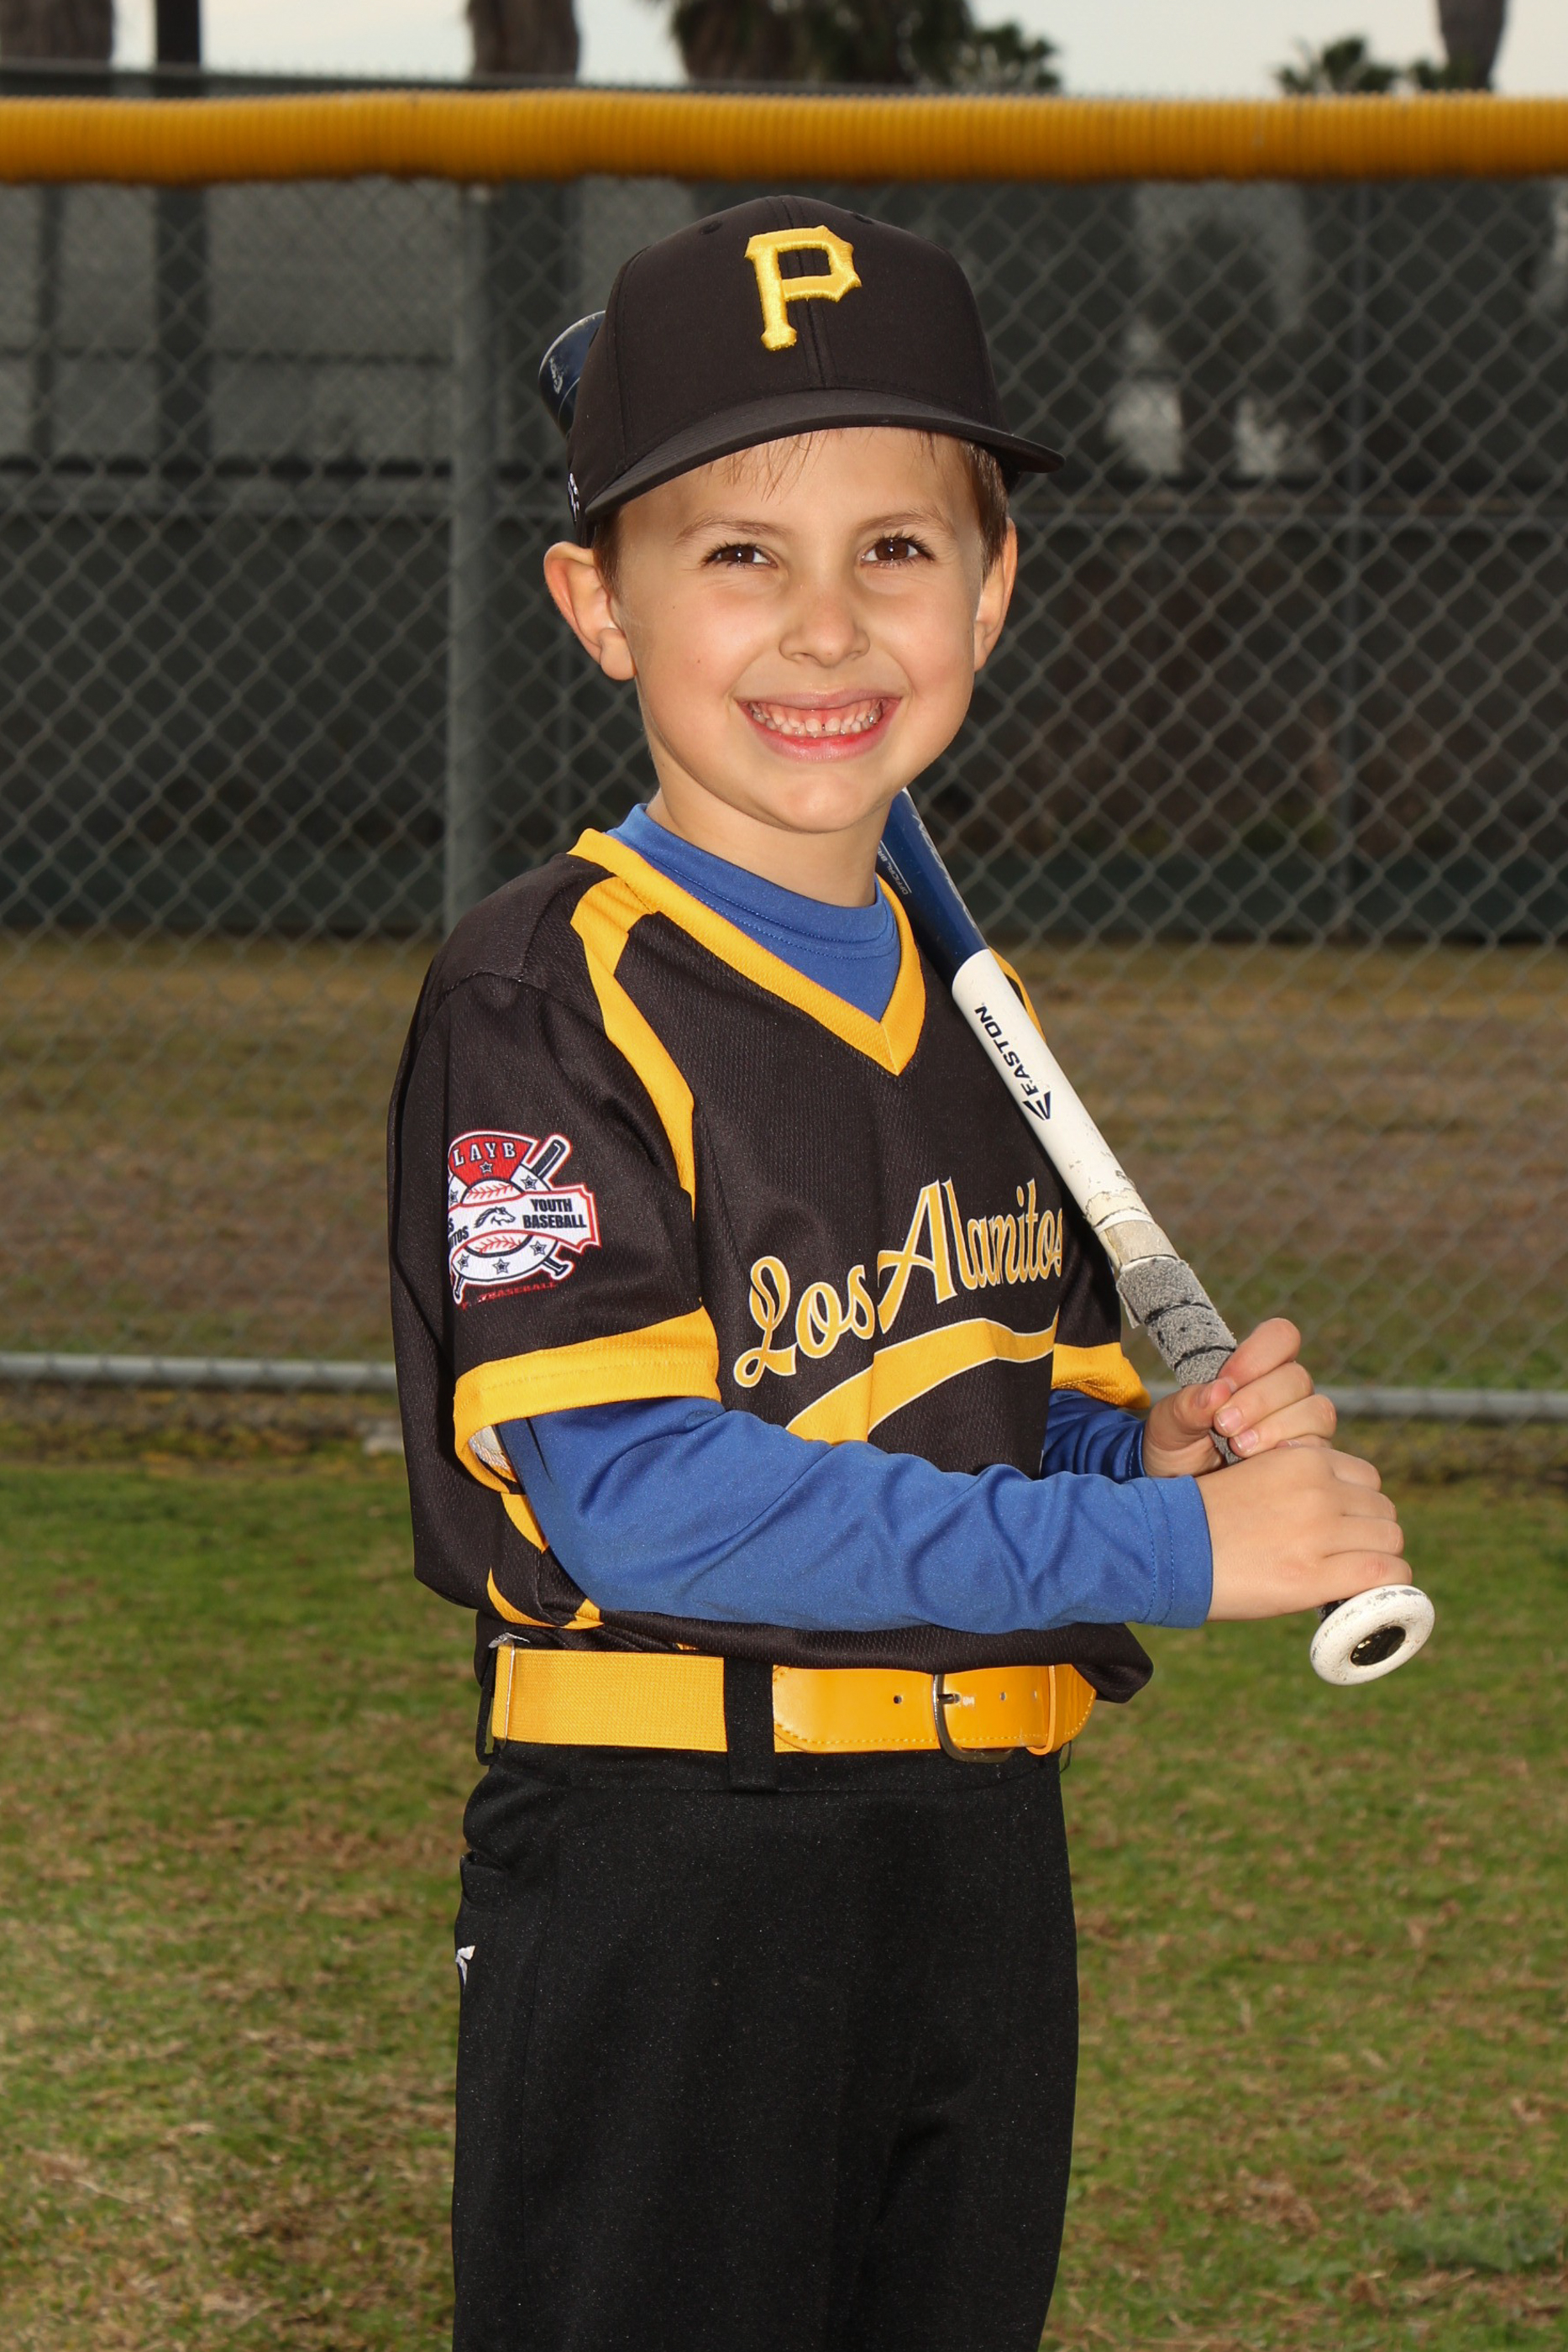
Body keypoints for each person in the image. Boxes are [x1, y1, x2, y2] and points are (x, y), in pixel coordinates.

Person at [386, 194, 1410, 2352]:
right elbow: (641, 1494)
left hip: (972, 1853)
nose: (827, 627)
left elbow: (985, 1410)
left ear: (992, 586)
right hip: (682, 1853)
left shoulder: (969, 1017)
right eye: (738, 555)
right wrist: (1160, 1544)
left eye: (896, 547)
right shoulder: (545, 993)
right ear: (597, 604)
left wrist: (1141, 1447)